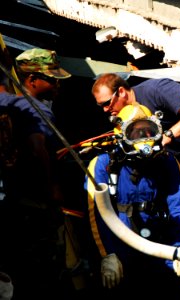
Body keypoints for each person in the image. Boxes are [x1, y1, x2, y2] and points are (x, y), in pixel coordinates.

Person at [91, 73, 180, 249]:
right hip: (177, 163)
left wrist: (167, 136)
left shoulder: (156, 90)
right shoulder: (123, 116)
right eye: (100, 106)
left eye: (106, 103)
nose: (105, 110)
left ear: (121, 92)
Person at [85, 104, 180, 300]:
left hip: (159, 241)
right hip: (119, 244)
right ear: (121, 133)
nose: (145, 136)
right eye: (136, 132)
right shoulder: (102, 165)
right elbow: (96, 215)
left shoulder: (168, 162)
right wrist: (108, 255)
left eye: (149, 130)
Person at [0, 49, 68, 298]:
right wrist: (54, 190)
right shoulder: (35, 109)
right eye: (51, 78)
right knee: (41, 274)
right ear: (32, 80)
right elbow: (38, 147)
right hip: (35, 205)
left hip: (10, 200)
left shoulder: (5, 104)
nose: (57, 84)